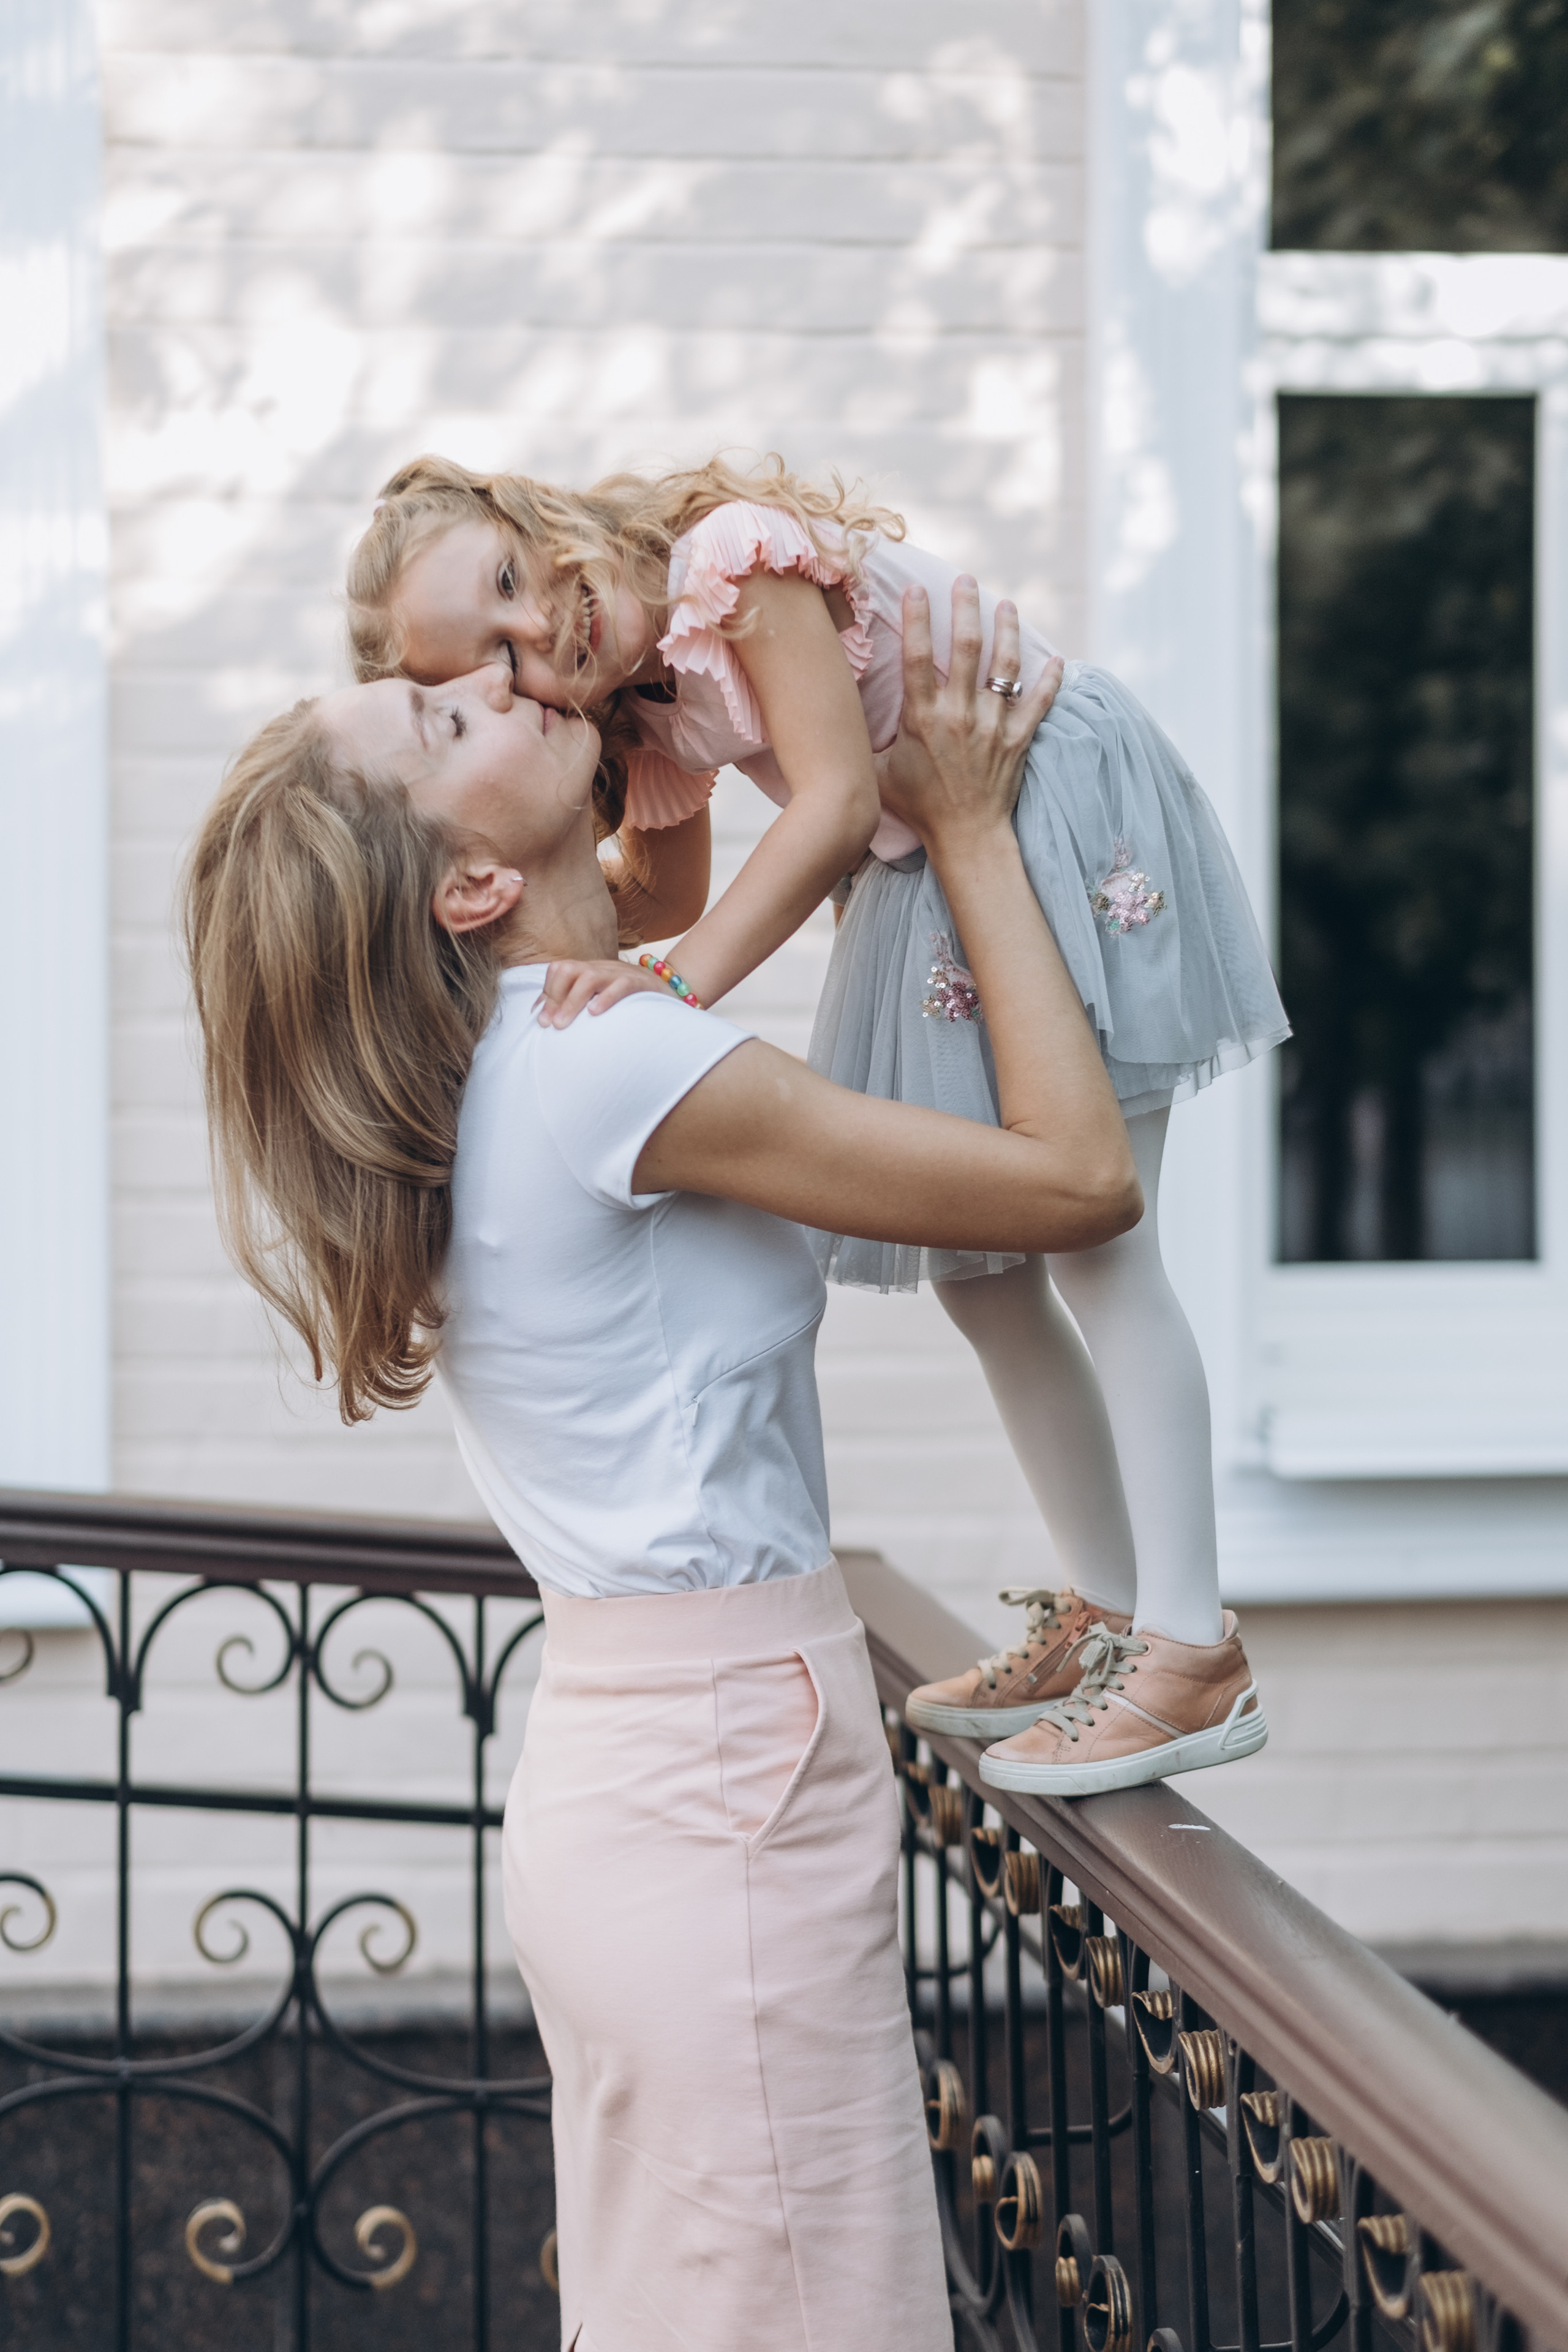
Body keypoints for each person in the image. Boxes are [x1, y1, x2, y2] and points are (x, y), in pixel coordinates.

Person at [185, 581, 1236, 2350]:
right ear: (469, 887)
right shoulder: (613, 1073)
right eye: (446, 722)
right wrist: (969, 826)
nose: (499, 681)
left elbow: (670, 887)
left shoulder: (515, 1067)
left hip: (649, 1780)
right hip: (718, 1792)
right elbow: (1077, 1186)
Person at [338, 451, 1286, 1794]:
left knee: (1094, 1252)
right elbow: (657, 894)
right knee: (984, 1280)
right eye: (494, 657)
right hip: (939, 859)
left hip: (1041, 806)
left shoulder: (729, 563)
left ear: (524, 511)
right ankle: (1109, 1610)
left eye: (506, 582)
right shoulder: (639, 705)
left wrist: (672, 991)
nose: (534, 632)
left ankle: (1193, 1646)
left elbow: (836, 805)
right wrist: (498, 908)